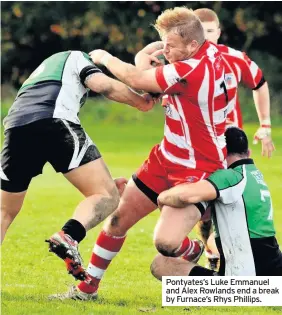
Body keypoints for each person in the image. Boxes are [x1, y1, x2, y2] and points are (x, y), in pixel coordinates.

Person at [51, 7, 242, 300]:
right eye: (163, 43)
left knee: (165, 244)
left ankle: (196, 253)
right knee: (116, 221)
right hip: (165, 158)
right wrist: (150, 56)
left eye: (170, 46)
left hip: (199, 168)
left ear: (192, 45)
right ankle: (87, 289)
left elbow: (138, 80)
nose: (165, 50)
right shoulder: (201, 53)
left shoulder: (191, 68)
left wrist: (103, 57)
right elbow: (156, 72)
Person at [0, 50, 154, 280]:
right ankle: (69, 235)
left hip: (15, 128)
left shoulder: (43, 69)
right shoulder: (75, 56)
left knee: (4, 211)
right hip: (54, 120)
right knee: (108, 195)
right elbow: (103, 85)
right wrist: (140, 101)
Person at [192, 7, 275, 270]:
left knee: (231, 204)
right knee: (203, 210)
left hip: (228, 149)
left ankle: (231, 260)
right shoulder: (183, 62)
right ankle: (208, 249)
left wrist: (265, 125)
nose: (207, 37)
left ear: (218, 32)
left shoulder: (233, 58)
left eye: (210, 31)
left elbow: (259, 83)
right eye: (200, 32)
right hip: (196, 146)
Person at [151, 126, 282, 277]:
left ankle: (220, 284)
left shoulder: (229, 176)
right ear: (248, 152)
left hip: (245, 280)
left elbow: (186, 196)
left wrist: (162, 197)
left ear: (221, 152)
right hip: (274, 267)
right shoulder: (255, 174)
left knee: (160, 264)